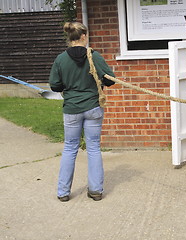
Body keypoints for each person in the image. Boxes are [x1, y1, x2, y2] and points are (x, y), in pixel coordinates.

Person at [49, 22, 115, 202]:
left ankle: (63, 192)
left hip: (71, 109)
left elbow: (54, 85)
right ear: (83, 36)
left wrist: (67, 85)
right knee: (93, 147)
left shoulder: (61, 59)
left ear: (69, 37)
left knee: (70, 148)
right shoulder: (94, 56)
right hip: (93, 107)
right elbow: (111, 80)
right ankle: (95, 191)